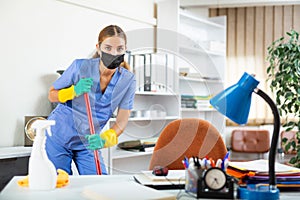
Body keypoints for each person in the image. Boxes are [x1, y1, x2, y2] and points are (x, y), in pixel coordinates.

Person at [46, 25, 136, 175]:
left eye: (119, 49)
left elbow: (122, 121)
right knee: (60, 183)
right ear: (98, 48)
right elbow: (51, 94)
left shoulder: (128, 80)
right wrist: (72, 91)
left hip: (88, 140)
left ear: (125, 49)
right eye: (108, 48)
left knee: (98, 184)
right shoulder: (80, 66)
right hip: (60, 135)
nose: (114, 53)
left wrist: (105, 139)